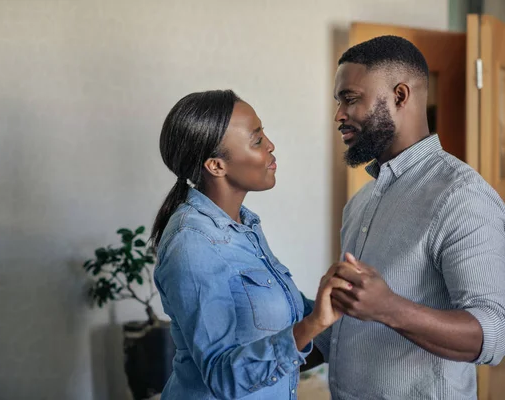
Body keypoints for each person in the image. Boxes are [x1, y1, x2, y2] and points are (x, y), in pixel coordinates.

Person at [315, 35, 505, 399]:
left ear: (400, 96)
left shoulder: (460, 196)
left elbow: (493, 334)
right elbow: (350, 321)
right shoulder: (361, 203)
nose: (339, 114)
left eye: (350, 98)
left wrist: (389, 308)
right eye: (338, 101)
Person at [151, 90, 354, 399]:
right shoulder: (192, 245)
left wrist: (358, 306)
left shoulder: (245, 227)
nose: (271, 145)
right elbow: (223, 377)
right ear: (216, 166)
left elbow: (287, 321)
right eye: (257, 140)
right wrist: (313, 324)